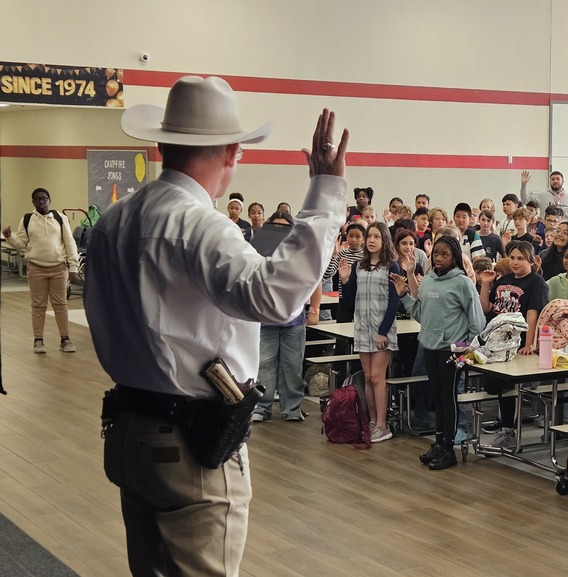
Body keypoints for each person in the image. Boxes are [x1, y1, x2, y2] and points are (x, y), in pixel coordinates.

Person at [85, 77, 347, 576]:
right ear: (232, 152)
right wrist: (325, 195)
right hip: (189, 443)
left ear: (161, 145)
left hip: (130, 430)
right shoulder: (198, 225)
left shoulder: (114, 221)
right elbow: (275, 298)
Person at [393, 235, 485, 470]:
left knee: (448, 398)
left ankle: (448, 449)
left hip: (452, 350)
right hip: (429, 346)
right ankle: (438, 442)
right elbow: (422, 315)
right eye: (436, 254)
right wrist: (403, 295)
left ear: (454, 257)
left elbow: (477, 321)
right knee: (436, 396)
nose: (440, 258)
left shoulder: (463, 283)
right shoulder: (429, 281)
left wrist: (469, 350)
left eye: (445, 254)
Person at [251, 211, 320, 423]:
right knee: (264, 366)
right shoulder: (257, 250)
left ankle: (292, 408)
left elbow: (315, 281)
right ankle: (262, 407)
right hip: (265, 320)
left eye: (284, 227)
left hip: (294, 321)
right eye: (275, 227)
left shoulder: (300, 252)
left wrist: (314, 309)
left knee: (293, 367)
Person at [478, 241, 548, 449]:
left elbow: (532, 313)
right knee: (494, 386)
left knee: (508, 386)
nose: (515, 262)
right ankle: (505, 424)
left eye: (520, 258)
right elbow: (486, 308)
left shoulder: (536, 282)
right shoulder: (504, 279)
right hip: (496, 342)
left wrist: (529, 344)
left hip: (517, 342)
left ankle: (508, 430)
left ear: (531, 261)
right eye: (512, 258)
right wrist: (485, 285)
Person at [339, 222, 402, 442]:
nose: (372, 240)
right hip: (362, 327)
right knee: (367, 377)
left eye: (376, 236)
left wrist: (383, 331)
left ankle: (383, 425)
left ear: (384, 240)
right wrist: (345, 279)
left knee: (377, 377)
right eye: (369, 236)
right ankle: (372, 421)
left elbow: (395, 303)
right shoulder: (359, 266)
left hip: (381, 330)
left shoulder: (392, 266)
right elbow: (349, 300)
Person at [3, 187, 80, 354]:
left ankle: (65, 339)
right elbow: (21, 243)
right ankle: (38, 340)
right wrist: (9, 236)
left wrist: (73, 266)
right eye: (37, 199)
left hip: (59, 268)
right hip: (36, 268)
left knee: (61, 305)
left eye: (44, 198)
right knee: (38, 306)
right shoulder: (28, 219)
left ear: (49, 200)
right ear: (33, 202)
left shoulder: (60, 218)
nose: (41, 201)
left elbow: (70, 243)